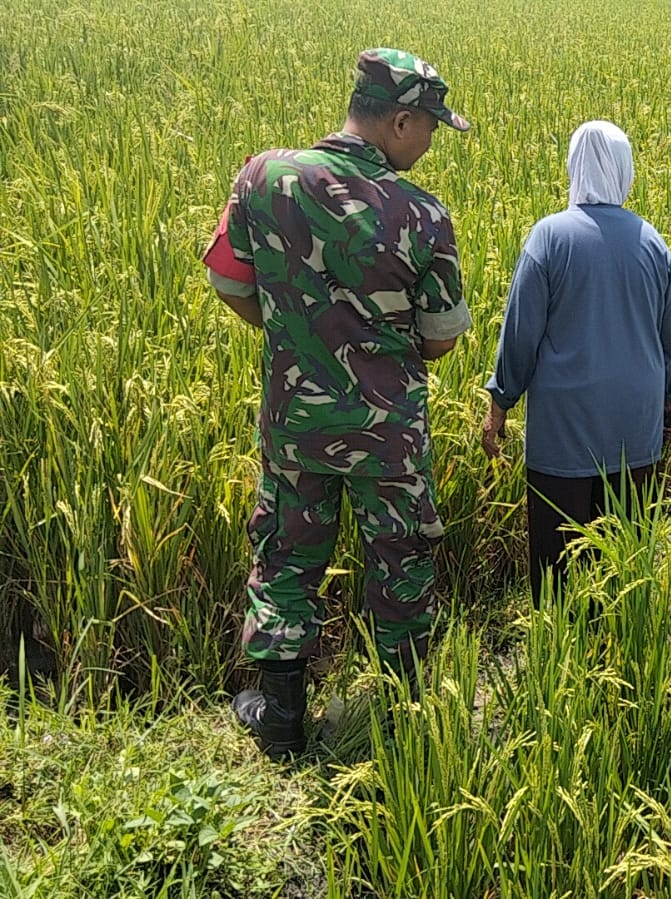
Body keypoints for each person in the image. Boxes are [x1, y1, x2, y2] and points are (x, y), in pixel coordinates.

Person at [202, 48, 472, 760]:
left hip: (296, 420)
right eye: (431, 127)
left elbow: (229, 282)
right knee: (401, 558)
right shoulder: (422, 213)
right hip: (388, 434)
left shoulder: (264, 177)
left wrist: (297, 329)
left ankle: (282, 718)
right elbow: (441, 338)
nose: (432, 140)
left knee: (287, 553)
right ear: (401, 120)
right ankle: (404, 716)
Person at [480, 121, 671, 606]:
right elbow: (670, 340)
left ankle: (558, 658)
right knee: (624, 562)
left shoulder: (548, 239)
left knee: (558, 569)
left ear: (574, 167)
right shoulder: (652, 242)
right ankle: (619, 651)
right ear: (623, 169)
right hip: (635, 431)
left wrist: (499, 405)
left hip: (563, 437)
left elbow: (519, 336)